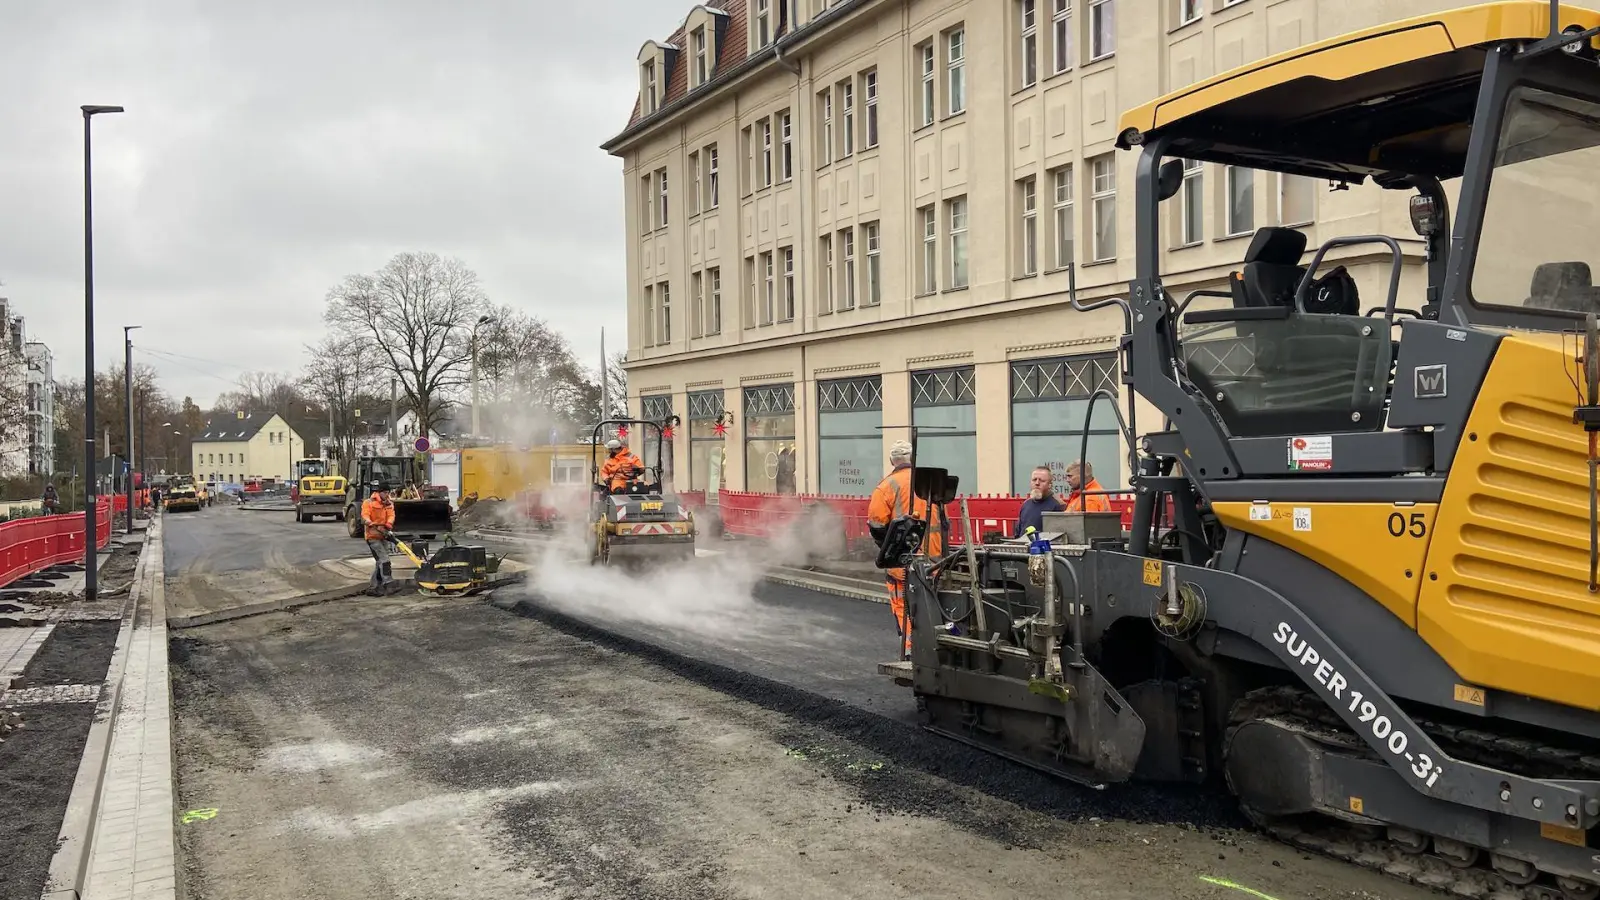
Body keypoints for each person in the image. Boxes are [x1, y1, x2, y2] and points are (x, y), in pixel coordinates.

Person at [867, 440, 945, 660]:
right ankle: (935, 648)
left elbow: (876, 525)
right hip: (934, 560)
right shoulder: (929, 484)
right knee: (932, 604)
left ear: (892, 460)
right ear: (912, 459)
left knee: (904, 608)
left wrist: (889, 550)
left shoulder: (887, 486)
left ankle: (912, 653)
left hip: (902, 564)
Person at [362, 483, 397, 594]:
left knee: (380, 562)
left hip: (384, 535)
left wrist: (389, 524)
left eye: (388, 493)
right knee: (385, 560)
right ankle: (388, 584)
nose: (387, 495)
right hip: (372, 536)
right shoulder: (369, 503)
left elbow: (391, 515)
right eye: (385, 492)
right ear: (379, 492)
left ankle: (373, 587)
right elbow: (365, 514)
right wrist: (368, 521)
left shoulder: (389, 504)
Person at [1016, 466, 1066, 534]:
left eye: (1042, 480)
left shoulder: (1058, 505)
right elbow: (1018, 531)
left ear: (1050, 485)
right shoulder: (1026, 504)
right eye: (1034, 480)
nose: (1037, 483)